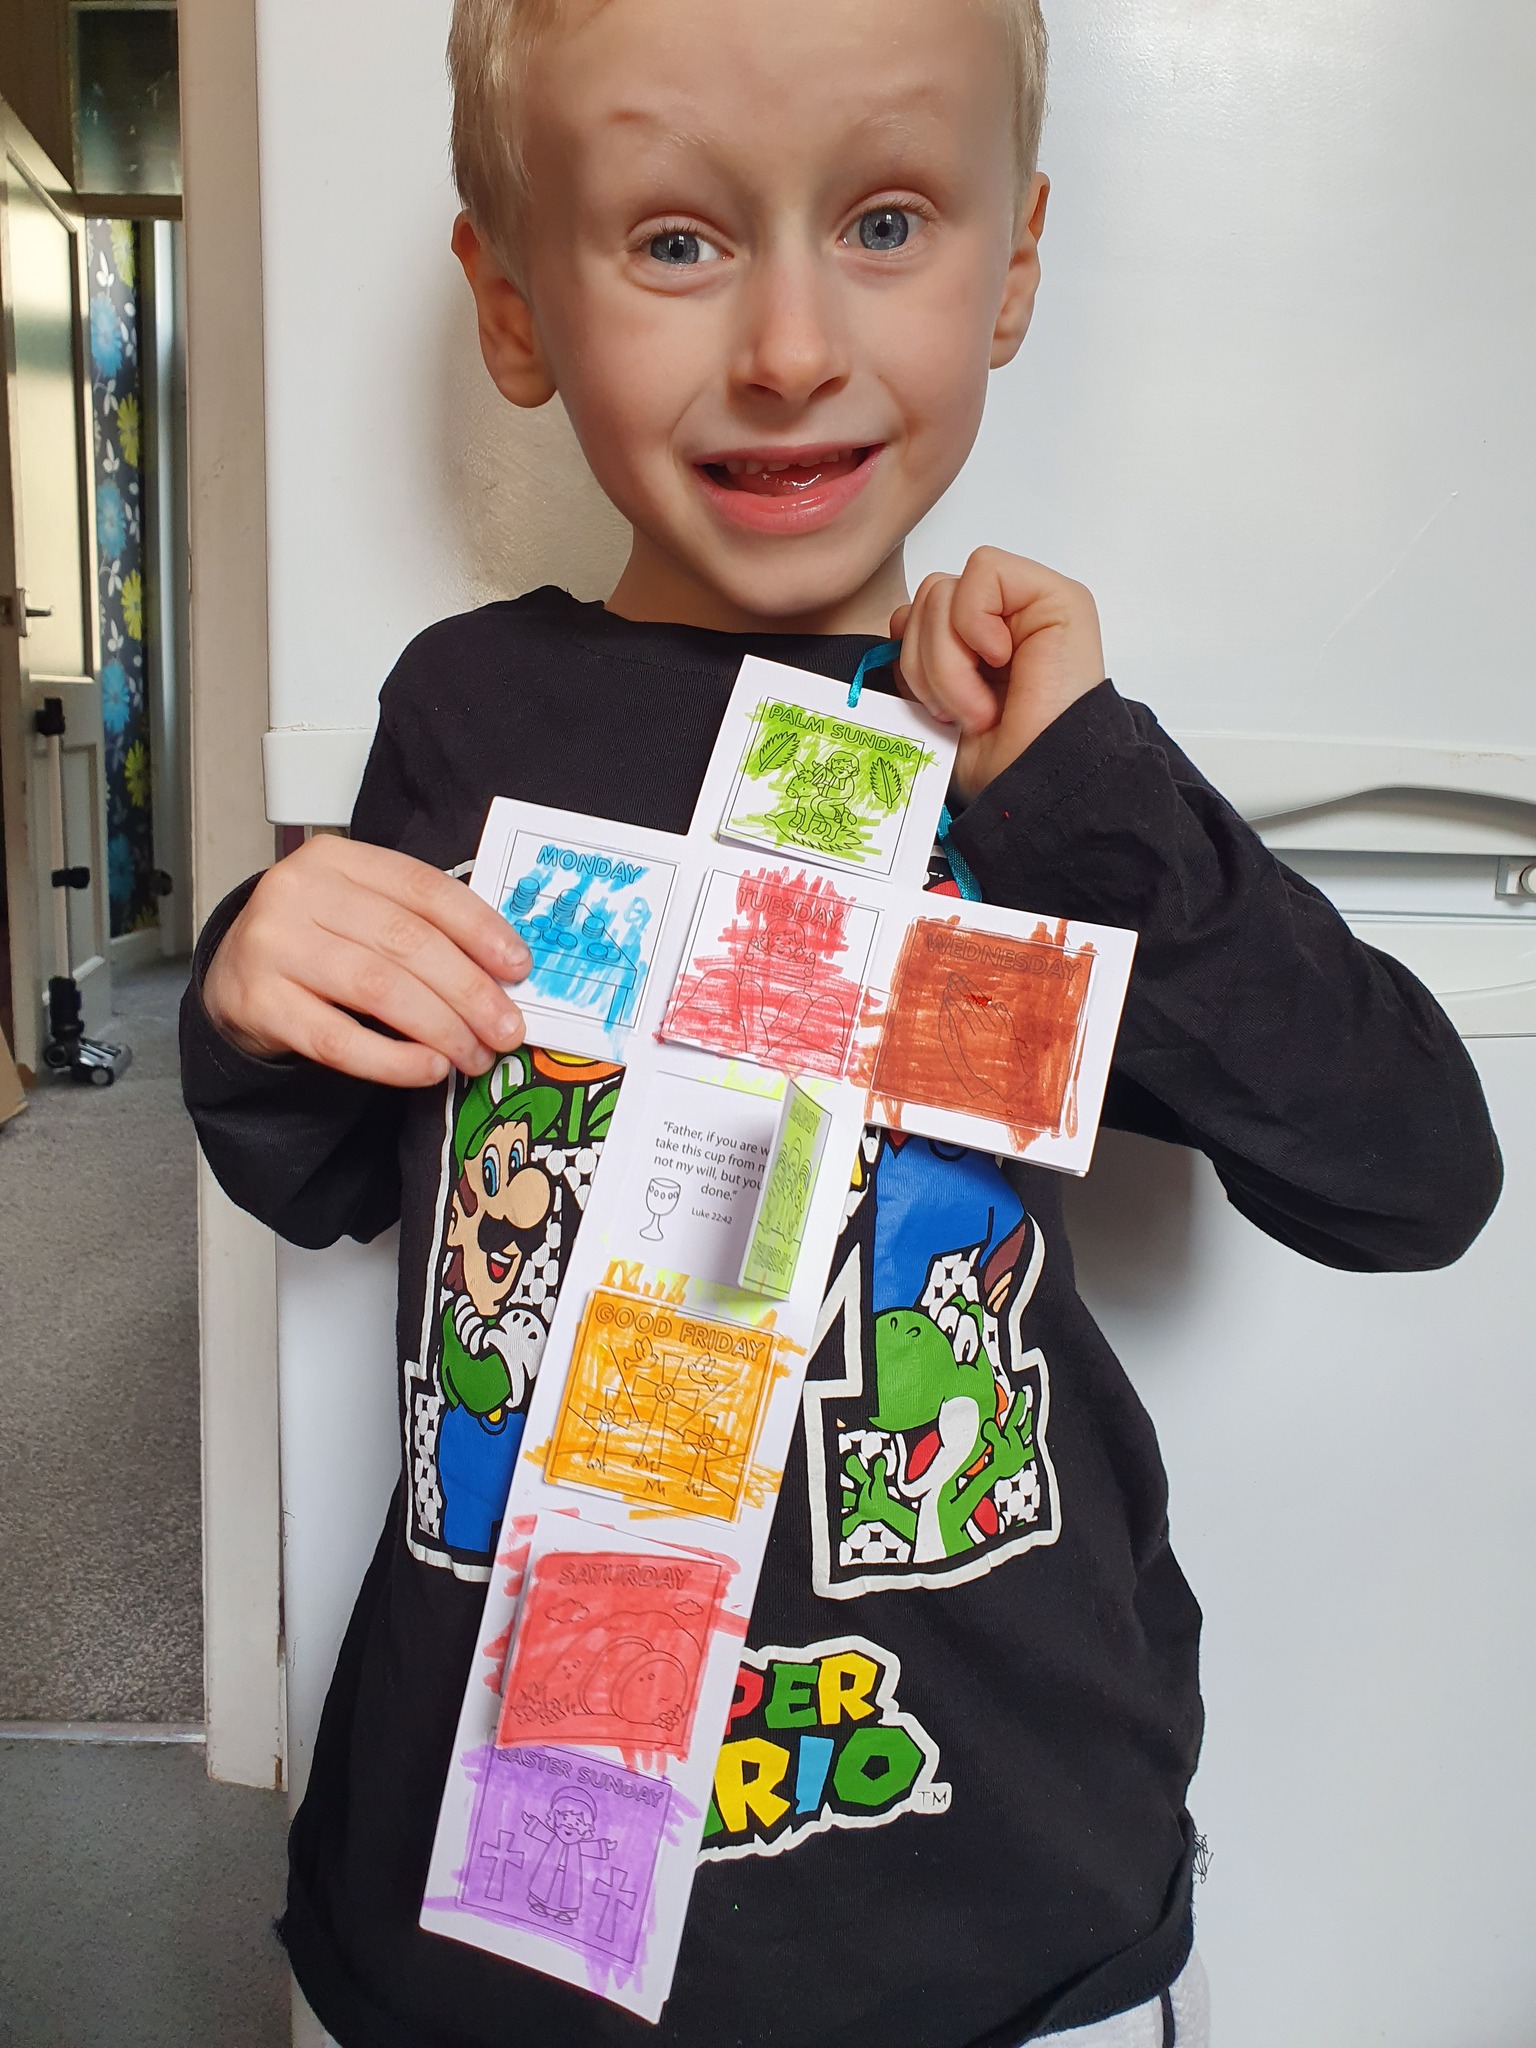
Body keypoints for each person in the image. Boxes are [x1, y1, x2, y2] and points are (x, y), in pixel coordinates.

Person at [180, 0, 1502, 2042]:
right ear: (515, 307)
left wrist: (1093, 800)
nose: (791, 347)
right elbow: (344, 1173)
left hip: (1008, 1910)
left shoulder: (1032, 770)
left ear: (1014, 266)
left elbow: (1410, 1174)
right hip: (488, 1915)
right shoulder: (472, 714)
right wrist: (256, 996)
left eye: (885, 222)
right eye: (677, 240)